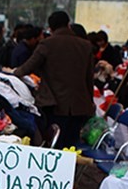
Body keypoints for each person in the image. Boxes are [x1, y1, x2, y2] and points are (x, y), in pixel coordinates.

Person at [12, 10, 95, 149]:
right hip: (79, 105)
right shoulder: (85, 46)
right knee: (72, 144)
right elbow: (89, 78)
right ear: (68, 24)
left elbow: (27, 68)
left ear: (50, 28)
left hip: (55, 105)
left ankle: (56, 170)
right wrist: (90, 102)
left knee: (55, 144)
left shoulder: (47, 44)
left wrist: (12, 72)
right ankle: (70, 170)